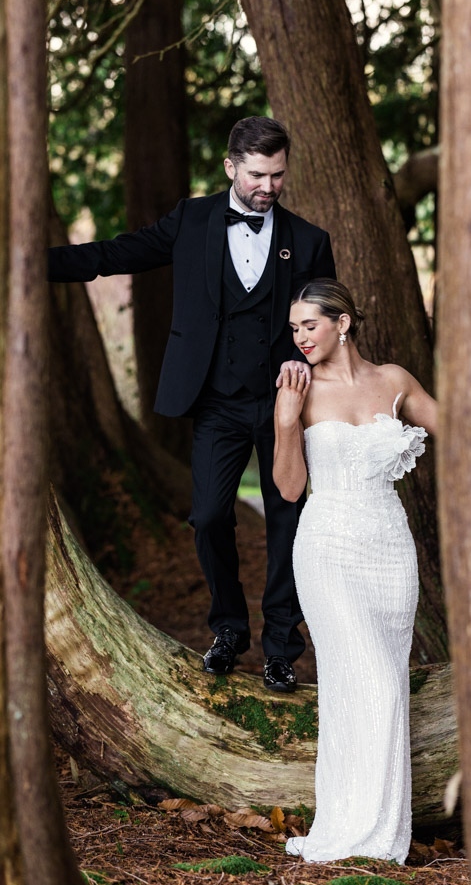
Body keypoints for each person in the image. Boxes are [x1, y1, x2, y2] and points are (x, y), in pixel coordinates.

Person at [48, 117, 335, 693]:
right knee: (207, 517)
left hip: (285, 403)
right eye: (258, 174)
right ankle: (229, 629)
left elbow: (325, 322)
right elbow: (119, 253)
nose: (269, 186)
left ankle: (281, 648)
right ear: (231, 167)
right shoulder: (194, 218)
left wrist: (307, 358)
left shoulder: (307, 240)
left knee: (288, 522)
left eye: (278, 175)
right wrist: (39, 261)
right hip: (217, 402)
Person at [272, 278, 436, 864]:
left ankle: (381, 832)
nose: (299, 338)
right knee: (364, 680)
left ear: (342, 324)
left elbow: (463, 433)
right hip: (329, 549)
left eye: (308, 326)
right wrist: (288, 421)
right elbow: (290, 488)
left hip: (390, 552)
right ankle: (349, 828)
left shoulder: (393, 381)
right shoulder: (297, 388)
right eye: (293, 329)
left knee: (385, 685)